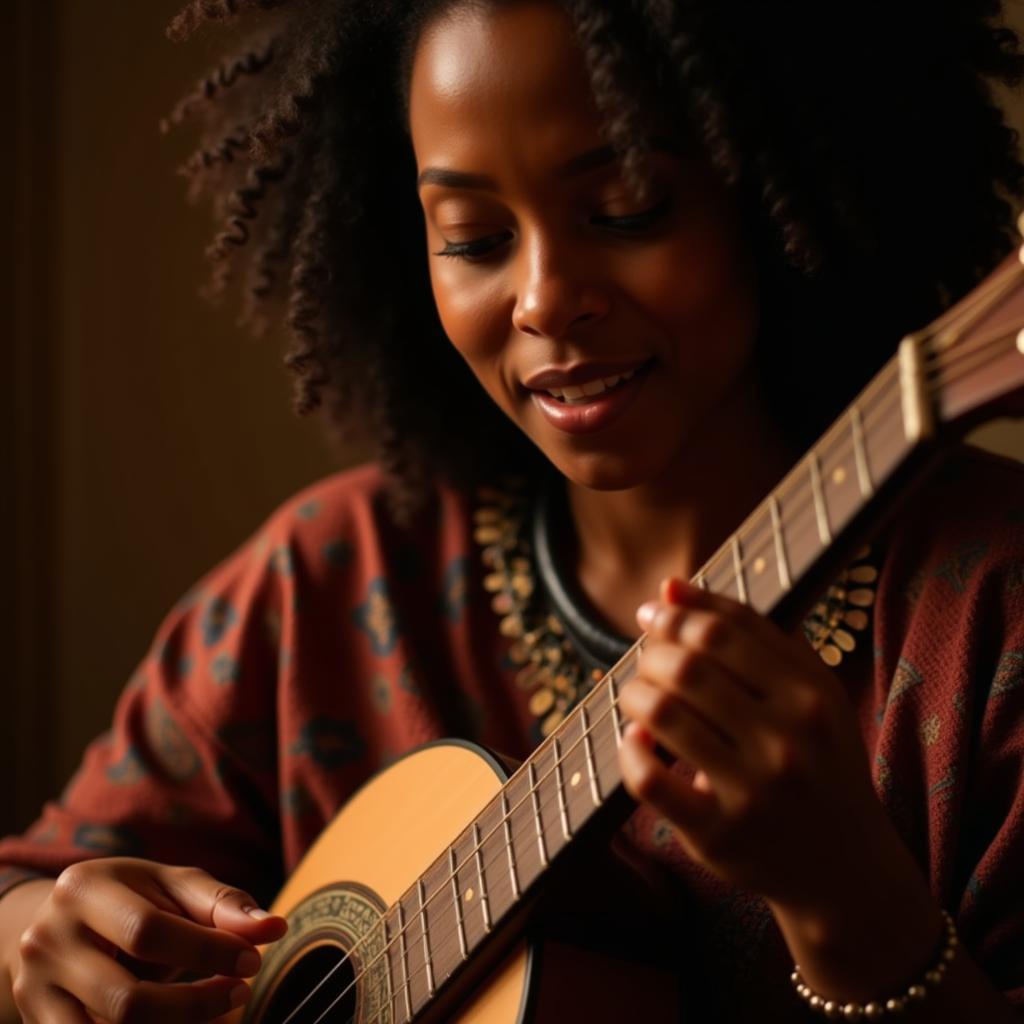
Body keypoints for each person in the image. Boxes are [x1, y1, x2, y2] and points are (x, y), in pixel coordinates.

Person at [2, 0, 1024, 1019]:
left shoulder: (993, 614)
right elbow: (36, 877)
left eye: (624, 209)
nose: (542, 298)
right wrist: (32, 936)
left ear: (772, 185)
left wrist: (852, 901)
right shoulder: (331, 576)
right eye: (475, 237)